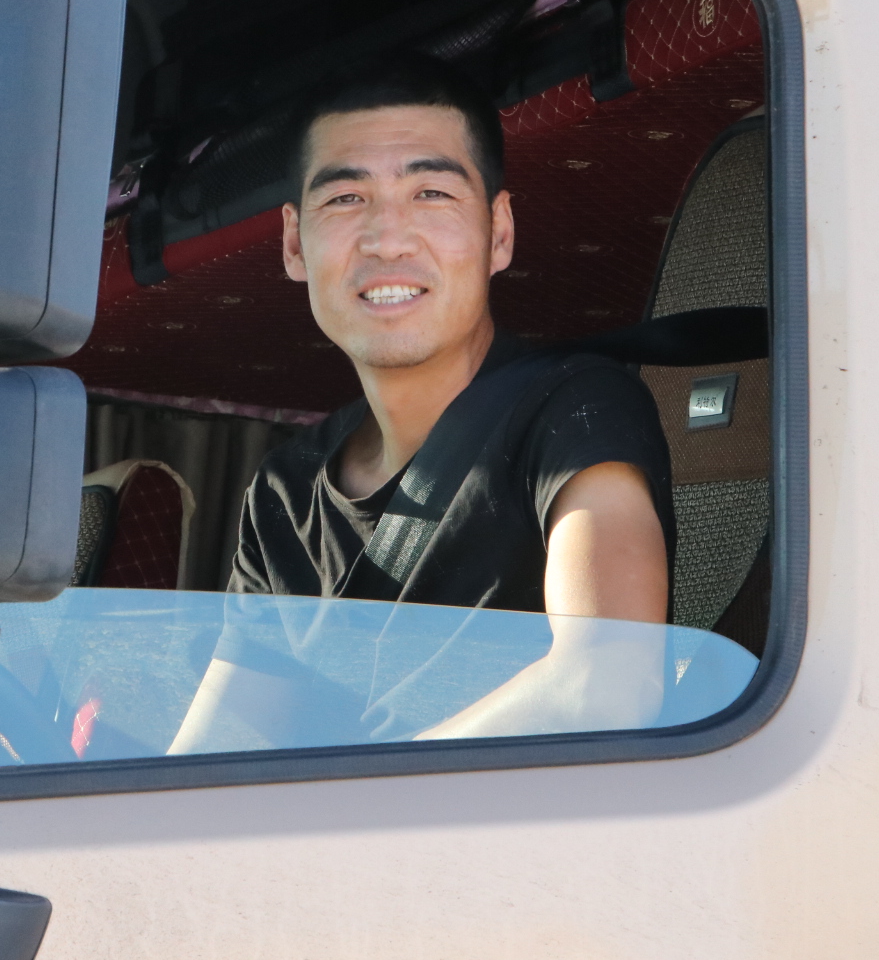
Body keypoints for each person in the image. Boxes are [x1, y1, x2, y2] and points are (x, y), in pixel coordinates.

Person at [169, 54, 674, 750]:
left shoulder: (572, 410)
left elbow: (606, 684)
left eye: (431, 193)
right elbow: (218, 758)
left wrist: (350, 795)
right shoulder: (285, 493)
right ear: (293, 243)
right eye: (345, 199)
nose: (387, 239)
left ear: (499, 233)